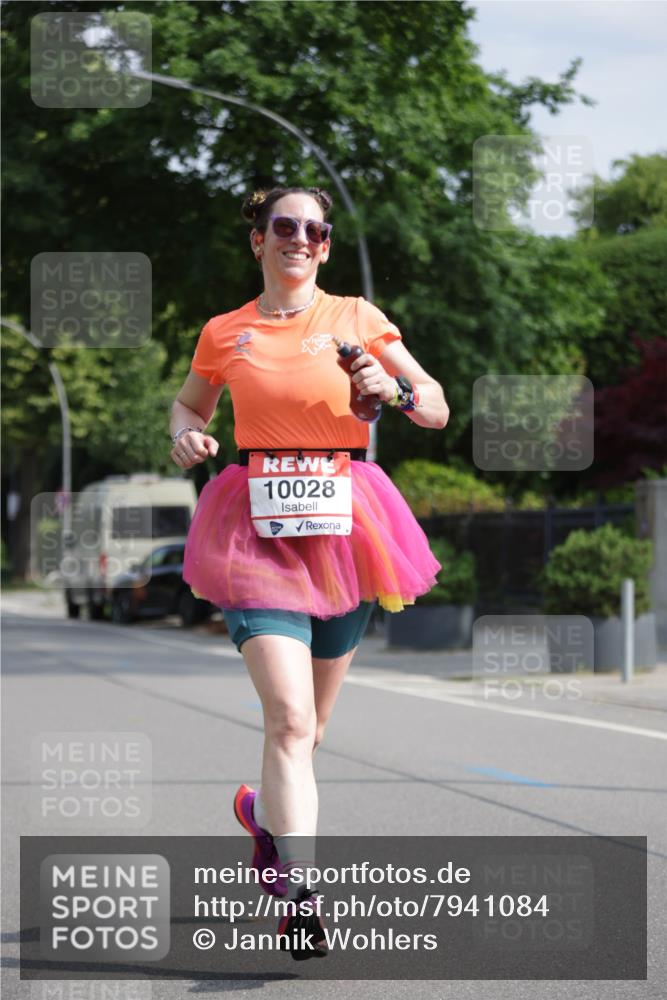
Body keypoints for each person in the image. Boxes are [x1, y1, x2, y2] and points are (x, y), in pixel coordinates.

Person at [169, 185, 449, 959]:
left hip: (347, 528)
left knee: (312, 730)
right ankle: (301, 899)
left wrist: (389, 390)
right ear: (257, 240)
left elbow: (434, 405)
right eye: (282, 226)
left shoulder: (357, 317)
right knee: (288, 720)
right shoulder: (226, 332)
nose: (299, 238)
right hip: (255, 530)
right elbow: (188, 409)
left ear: (325, 246)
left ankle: (264, 814)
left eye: (313, 230)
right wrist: (186, 438)